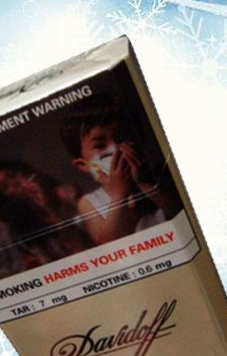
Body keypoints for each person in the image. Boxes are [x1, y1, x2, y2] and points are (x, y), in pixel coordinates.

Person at [61, 94, 182, 245]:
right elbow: (109, 244)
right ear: (83, 164)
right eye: (100, 146)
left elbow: (181, 213)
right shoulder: (88, 203)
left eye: (122, 137)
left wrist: (146, 184)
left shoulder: (161, 177)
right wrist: (119, 195)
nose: (116, 148)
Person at [0, 160, 92, 259]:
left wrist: (49, 208)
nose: (14, 183)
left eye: (12, 175)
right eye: (6, 186)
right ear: (5, 198)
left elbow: (85, 240)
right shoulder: (21, 228)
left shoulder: (65, 194)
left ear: (23, 171)